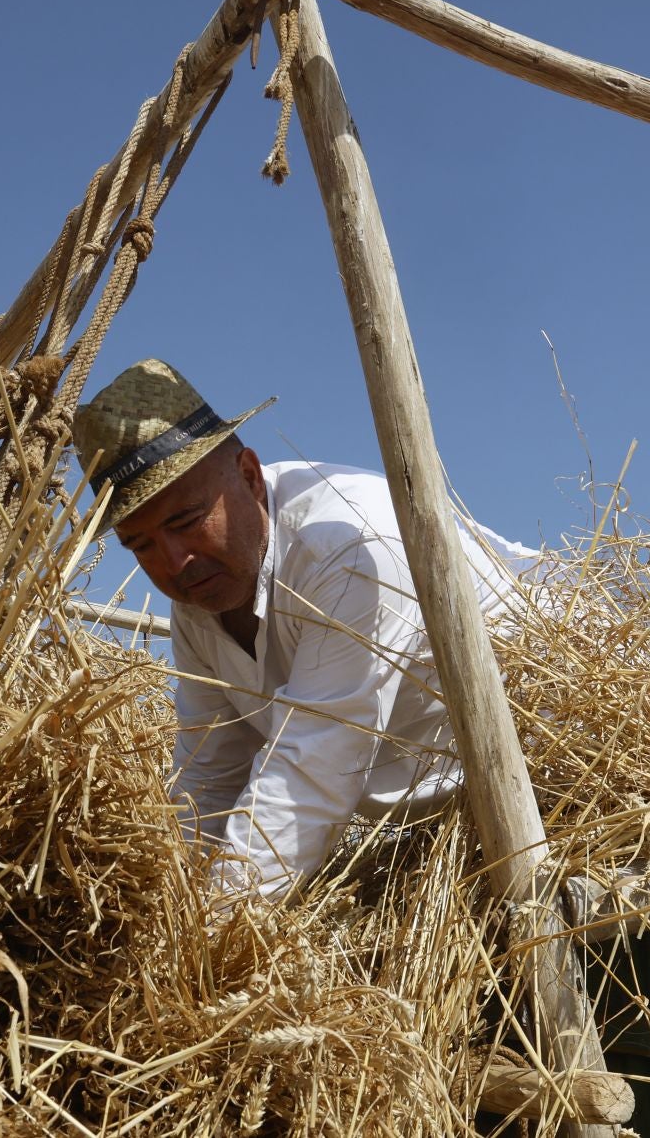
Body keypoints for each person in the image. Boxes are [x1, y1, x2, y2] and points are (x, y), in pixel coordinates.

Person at [73, 359, 532, 900]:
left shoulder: (350, 546)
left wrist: (213, 924)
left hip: (544, 779)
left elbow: (312, 769)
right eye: (140, 545)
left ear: (248, 475)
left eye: (185, 521)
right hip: (433, 825)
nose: (174, 563)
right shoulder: (199, 600)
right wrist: (167, 901)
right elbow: (210, 774)